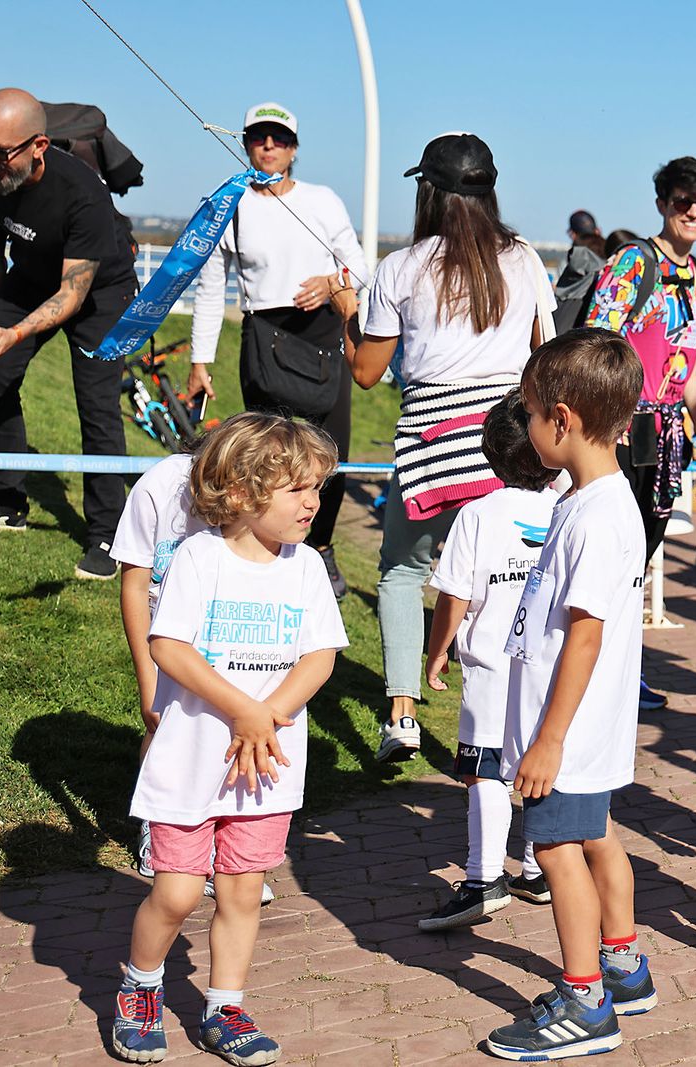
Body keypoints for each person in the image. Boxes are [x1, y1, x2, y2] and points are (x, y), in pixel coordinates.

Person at [110, 413, 347, 1066]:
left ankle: (225, 1004)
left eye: (318, 488)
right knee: (179, 891)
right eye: (298, 489)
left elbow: (320, 656)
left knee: (243, 891)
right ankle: (141, 987)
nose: (313, 503)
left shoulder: (305, 569)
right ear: (242, 491)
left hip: (265, 769)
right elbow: (170, 648)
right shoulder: (198, 558)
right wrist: (243, 708)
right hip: (191, 762)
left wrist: (267, 714)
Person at [347, 132, 554, 765]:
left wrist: (343, 309)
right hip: (509, 448)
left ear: (428, 193)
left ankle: (403, 713)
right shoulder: (522, 259)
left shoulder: (400, 268)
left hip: (431, 448)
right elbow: (546, 349)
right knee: (512, 580)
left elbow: (365, 371)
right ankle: (508, 720)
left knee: (404, 575)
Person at [482, 330, 652, 1060]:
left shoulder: (599, 514)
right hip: (584, 726)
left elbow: (584, 635)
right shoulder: (589, 500)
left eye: (528, 414)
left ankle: (587, 1001)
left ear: (562, 418)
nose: (526, 429)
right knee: (593, 836)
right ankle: (623, 964)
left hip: (571, 731)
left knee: (554, 847)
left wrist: (548, 739)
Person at [0, 88, 138, 579]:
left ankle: (107, 534)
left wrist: (14, 333)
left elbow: (72, 295)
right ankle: (6, 501)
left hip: (98, 292)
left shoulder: (84, 194)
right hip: (30, 278)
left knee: (96, 405)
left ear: (38, 145)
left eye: (0, 152)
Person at [188, 102, 366, 599]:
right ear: (245, 143)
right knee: (270, 457)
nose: (269, 147)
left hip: (323, 336)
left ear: (294, 149)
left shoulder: (323, 200)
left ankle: (321, 549)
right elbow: (210, 288)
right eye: (259, 138)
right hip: (263, 338)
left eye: (279, 139)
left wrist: (332, 281)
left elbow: (361, 267)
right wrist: (200, 362)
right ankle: (267, 550)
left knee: (333, 455)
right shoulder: (231, 205)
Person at [584, 157, 696, 711]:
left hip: (669, 435)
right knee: (612, 558)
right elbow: (596, 344)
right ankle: (597, 675)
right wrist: (606, 423)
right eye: (683, 200)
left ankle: (620, 672)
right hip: (622, 427)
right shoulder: (633, 263)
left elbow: (689, 372)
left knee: (639, 559)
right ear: (662, 202)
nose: (693, 212)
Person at [419, 391, 558, 930]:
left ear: (490, 452)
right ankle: (535, 869)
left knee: (486, 773)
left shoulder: (476, 514)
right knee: (535, 769)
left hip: (490, 670)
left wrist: (436, 654)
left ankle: (482, 879)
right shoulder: (565, 508)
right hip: (548, 668)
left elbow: (453, 596)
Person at [109, 444, 211, 879]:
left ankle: (214, 844)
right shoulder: (157, 487)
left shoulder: (257, 490)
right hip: (160, 620)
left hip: (215, 620)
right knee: (162, 719)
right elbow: (133, 586)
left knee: (213, 724)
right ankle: (156, 825)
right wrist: (146, 680)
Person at [552, 210, 604, 334]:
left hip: (566, 327)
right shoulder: (610, 254)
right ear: (597, 230)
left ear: (573, 234)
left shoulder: (577, 256)